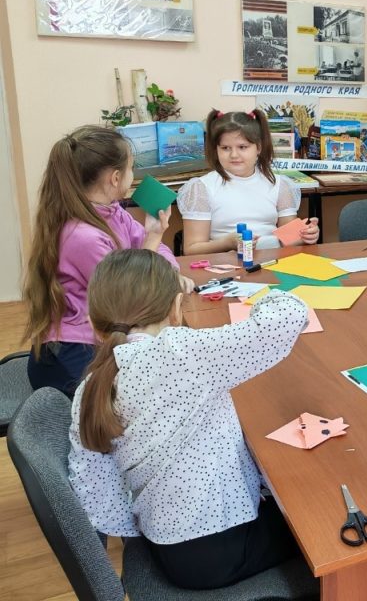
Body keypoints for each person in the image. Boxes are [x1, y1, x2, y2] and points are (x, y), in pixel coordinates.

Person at [68, 249, 309, 590]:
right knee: (317, 516)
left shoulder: (90, 387)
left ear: (93, 324)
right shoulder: (180, 352)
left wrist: (140, 530)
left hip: (166, 546)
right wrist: (266, 295)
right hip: (221, 550)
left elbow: (94, 488)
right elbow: (286, 319)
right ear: (176, 308)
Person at [21, 126, 188, 396]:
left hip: (104, 335)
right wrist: (154, 237)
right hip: (72, 354)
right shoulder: (83, 236)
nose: (134, 175)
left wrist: (166, 264)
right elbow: (129, 298)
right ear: (116, 178)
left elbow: (157, 256)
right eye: (132, 168)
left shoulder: (113, 212)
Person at [178, 110, 319, 255]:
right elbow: (191, 249)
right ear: (216, 150)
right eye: (225, 148)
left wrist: (306, 235)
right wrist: (227, 243)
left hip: (271, 261)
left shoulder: (278, 184)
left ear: (258, 147)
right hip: (224, 264)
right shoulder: (201, 188)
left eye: (242, 147)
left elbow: (290, 239)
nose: (234, 155)